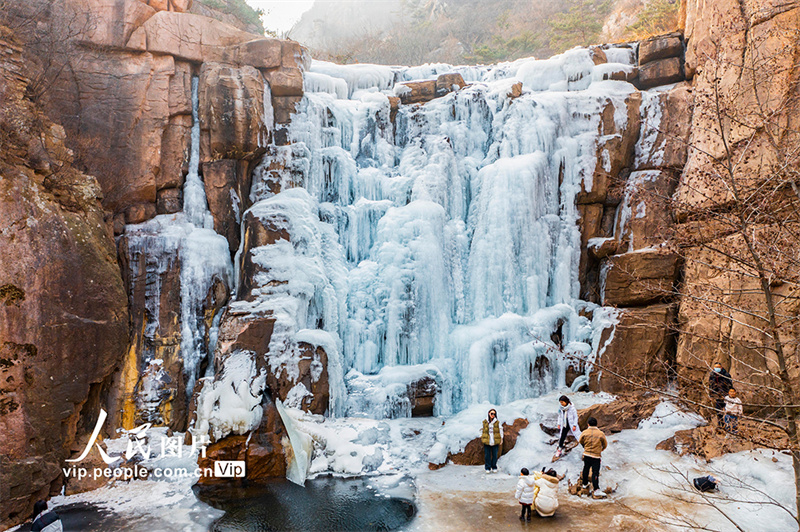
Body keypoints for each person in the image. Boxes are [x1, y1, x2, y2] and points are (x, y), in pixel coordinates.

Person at [578, 417, 607, 497]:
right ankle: (596, 489)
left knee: (586, 469)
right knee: (595, 472)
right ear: (596, 424)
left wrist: (585, 447)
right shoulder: (600, 433)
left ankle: (584, 484)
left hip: (586, 454)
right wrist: (600, 450)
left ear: (588, 424)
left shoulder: (585, 432)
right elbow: (605, 444)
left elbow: (580, 440)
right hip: (596, 456)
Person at [481, 408, 502, 473]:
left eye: (494, 414)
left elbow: (500, 430)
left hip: (495, 440)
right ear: (489, 413)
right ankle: (487, 467)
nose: (493, 415)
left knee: (495, 455)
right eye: (492, 413)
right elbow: (482, 429)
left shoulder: (497, 422)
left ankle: (494, 466)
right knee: (487, 455)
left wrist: (501, 439)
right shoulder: (485, 422)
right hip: (487, 440)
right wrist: (482, 437)